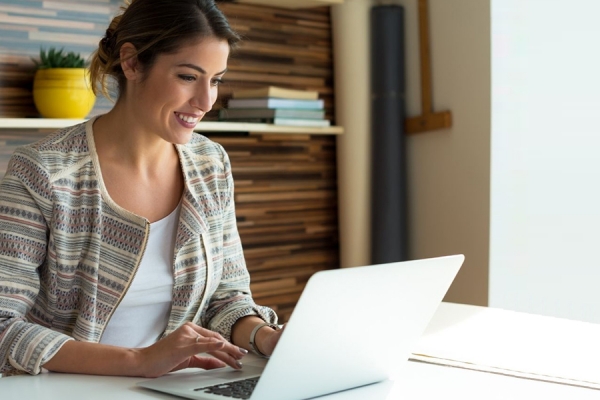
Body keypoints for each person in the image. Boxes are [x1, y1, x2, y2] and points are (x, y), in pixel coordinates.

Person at [0, 0, 282, 378]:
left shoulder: (209, 164)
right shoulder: (43, 173)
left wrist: (265, 337)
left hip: (177, 388)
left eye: (215, 80)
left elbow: (226, 298)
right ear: (131, 62)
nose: (205, 101)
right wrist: (140, 362)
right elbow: (3, 325)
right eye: (187, 77)